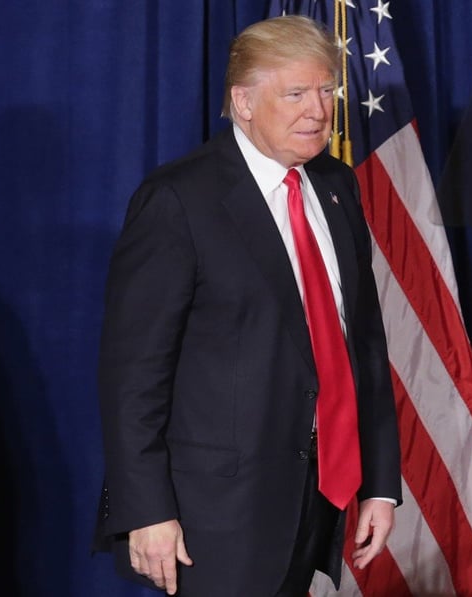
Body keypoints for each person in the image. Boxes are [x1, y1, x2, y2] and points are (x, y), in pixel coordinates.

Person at [93, 15, 401, 596]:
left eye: (326, 91)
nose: (318, 110)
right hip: (212, 512)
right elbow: (133, 375)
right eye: (295, 94)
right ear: (243, 101)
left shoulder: (336, 184)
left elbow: (362, 339)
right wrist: (144, 509)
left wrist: (380, 482)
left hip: (317, 496)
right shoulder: (179, 199)